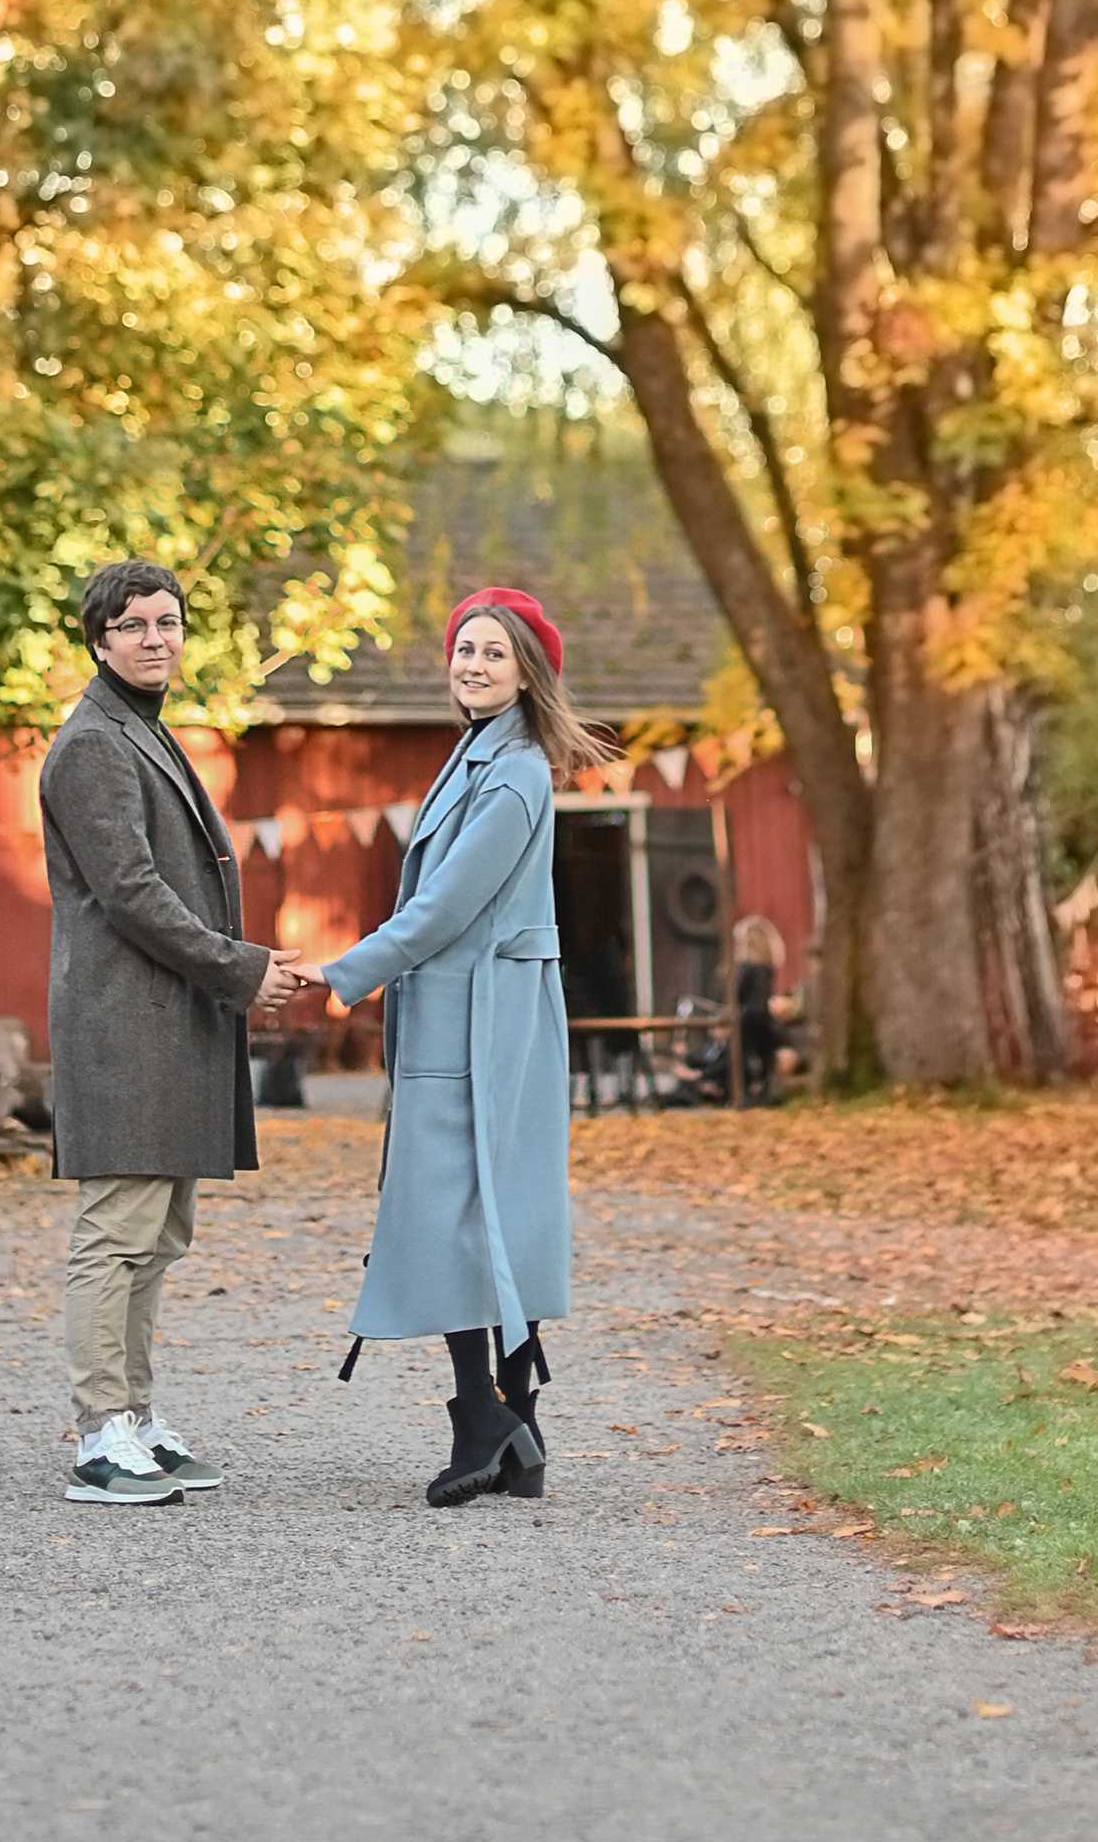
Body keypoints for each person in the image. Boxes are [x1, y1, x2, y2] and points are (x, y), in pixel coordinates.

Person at [292, 585, 611, 1508]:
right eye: (465, 650)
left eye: (493, 653)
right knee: (482, 1208)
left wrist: (344, 972)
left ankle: (485, 1418)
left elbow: (444, 908)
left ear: (528, 674)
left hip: (483, 1021)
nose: (472, 665)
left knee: (457, 1210)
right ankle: (516, 1426)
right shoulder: (480, 756)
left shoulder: (512, 774)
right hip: (468, 1011)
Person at [38, 558, 307, 1509]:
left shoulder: (143, 730)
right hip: (124, 1023)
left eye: (168, 622)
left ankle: (137, 1418)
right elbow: (132, 893)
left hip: (171, 1020)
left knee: (157, 1237)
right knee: (116, 1232)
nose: (156, 639)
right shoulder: (92, 744)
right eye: (135, 625)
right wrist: (241, 968)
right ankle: (98, 1437)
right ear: (99, 640)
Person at [730, 912, 787, 1105]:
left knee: (743, 1054)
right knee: (765, 1056)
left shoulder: (746, 967)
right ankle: (767, 1092)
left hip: (748, 1017)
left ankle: (745, 1094)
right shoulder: (767, 967)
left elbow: (738, 994)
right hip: (765, 1016)